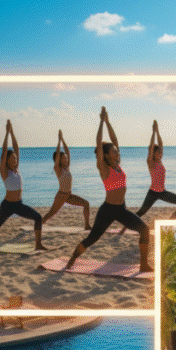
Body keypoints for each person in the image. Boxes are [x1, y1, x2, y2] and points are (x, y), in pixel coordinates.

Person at [64, 107, 152, 272]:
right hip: (108, 209)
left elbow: (114, 139)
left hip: (121, 208)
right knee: (92, 238)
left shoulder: (117, 164)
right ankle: (72, 258)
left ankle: (144, 264)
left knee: (144, 230)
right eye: (113, 150)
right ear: (105, 155)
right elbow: (99, 143)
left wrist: (108, 121)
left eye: (116, 150)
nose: (116, 151)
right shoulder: (104, 168)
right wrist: (101, 122)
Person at [0, 120, 48, 251]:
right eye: (12, 158)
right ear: (7, 160)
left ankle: (38, 244)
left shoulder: (16, 169)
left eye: (15, 158)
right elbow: (3, 152)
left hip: (19, 205)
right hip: (7, 206)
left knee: (38, 217)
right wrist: (6, 134)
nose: (15, 160)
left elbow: (16, 147)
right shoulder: (4, 171)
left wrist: (13, 132)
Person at [129, 120, 176, 224]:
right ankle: (126, 225)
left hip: (162, 192)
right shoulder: (151, 162)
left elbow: (161, 144)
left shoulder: (159, 160)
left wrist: (158, 130)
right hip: (153, 193)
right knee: (141, 212)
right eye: (158, 152)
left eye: (161, 152)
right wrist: (153, 132)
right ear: (153, 153)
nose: (160, 153)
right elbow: (151, 146)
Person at [41, 130, 91, 230]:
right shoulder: (58, 169)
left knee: (86, 204)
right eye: (63, 158)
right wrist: (59, 142)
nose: (66, 159)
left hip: (68, 195)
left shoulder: (66, 167)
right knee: (52, 212)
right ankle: (39, 224)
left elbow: (67, 151)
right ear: (58, 160)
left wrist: (63, 139)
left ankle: (87, 225)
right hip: (61, 195)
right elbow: (59, 154)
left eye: (66, 158)